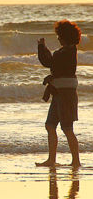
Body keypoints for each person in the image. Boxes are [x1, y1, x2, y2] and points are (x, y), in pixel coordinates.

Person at [36, 20, 81, 167]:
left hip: (66, 94)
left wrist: (42, 47)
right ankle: (52, 160)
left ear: (65, 36)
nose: (58, 38)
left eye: (59, 36)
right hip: (58, 93)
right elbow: (52, 62)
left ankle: (76, 161)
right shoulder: (65, 51)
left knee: (67, 128)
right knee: (50, 125)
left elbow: (50, 63)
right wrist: (43, 48)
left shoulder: (68, 52)